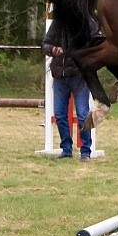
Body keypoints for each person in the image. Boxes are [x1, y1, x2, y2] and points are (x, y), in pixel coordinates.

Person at [42, 23, 94, 161]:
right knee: (59, 114)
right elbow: (44, 45)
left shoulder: (85, 25)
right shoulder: (57, 25)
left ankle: (85, 151)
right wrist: (53, 49)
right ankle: (66, 149)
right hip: (60, 76)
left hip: (79, 76)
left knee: (83, 114)